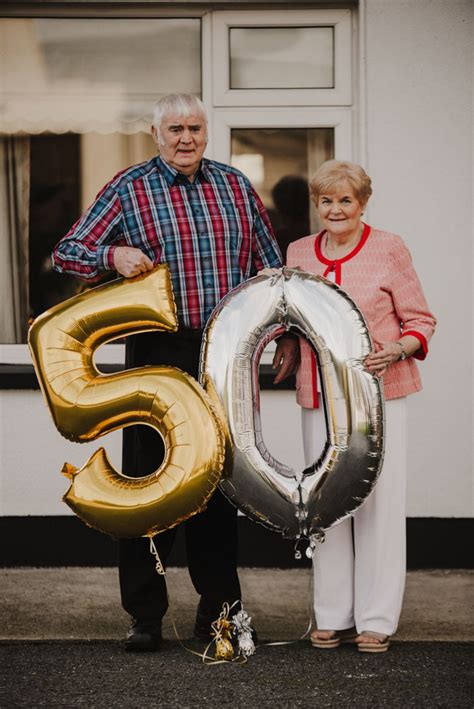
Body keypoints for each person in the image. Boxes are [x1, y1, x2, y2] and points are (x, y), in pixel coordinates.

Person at [52, 93, 298, 652]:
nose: (186, 137)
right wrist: (111, 256)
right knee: (147, 480)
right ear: (155, 133)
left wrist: (282, 332)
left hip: (221, 351)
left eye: (194, 127)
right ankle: (144, 614)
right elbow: (69, 250)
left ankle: (221, 613)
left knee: (216, 481)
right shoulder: (130, 187)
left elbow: (269, 265)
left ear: (205, 131)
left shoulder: (234, 185)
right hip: (154, 348)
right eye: (175, 128)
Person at [286, 160, 436, 653]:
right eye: (326, 200)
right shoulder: (299, 252)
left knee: (379, 504)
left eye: (345, 200)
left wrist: (398, 348)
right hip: (319, 394)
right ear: (317, 204)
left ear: (363, 203)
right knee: (325, 502)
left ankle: (376, 617)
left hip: (381, 393)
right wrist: (286, 344)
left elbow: (420, 320)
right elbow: (291, 314)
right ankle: (331, 614)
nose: (335, 209)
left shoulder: (389, 247)